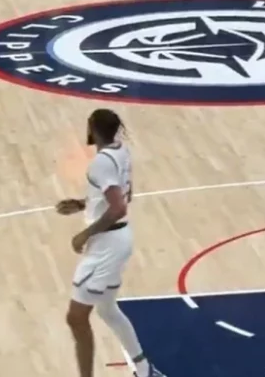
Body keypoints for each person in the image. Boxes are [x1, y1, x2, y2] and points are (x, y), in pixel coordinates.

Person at [56, 109, 166, 377]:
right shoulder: (121, 152)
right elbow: (125, 195)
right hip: (118, 239)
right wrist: (83, 203)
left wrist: (85, 234)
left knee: (76, 317)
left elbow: (118, 208)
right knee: (107, 310)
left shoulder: (101, 163)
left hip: (107, 245)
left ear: (92, 129)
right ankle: (145, 370)